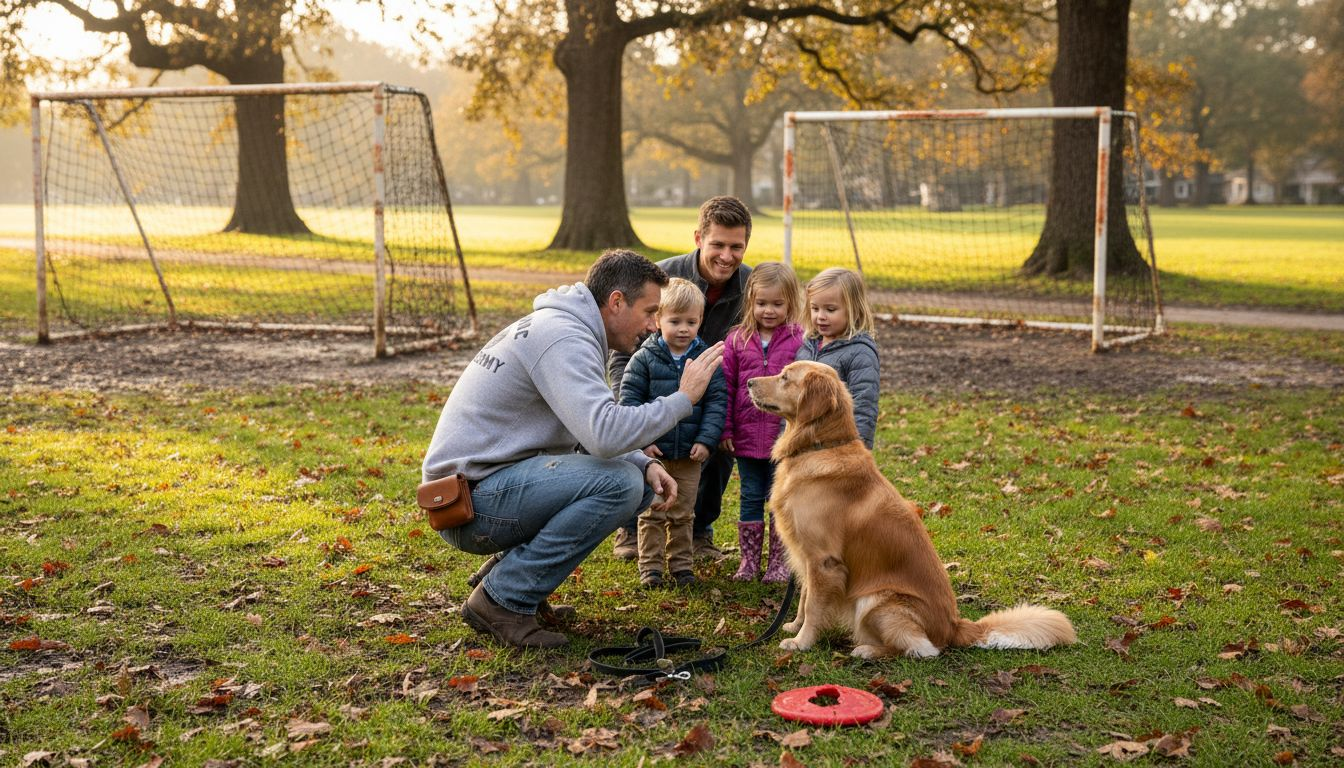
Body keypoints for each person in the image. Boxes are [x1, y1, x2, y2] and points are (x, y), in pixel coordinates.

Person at [422, 249, 724, 649]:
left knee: (633, 477)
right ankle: (502, 599)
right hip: (467, 504)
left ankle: (510, 579)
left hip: (478, 491)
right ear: (616, 301)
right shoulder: (563, 336)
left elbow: (581, 425)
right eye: (650, 311)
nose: (654, 326)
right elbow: (602, 435)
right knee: (619, 485)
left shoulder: (565, 327)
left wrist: (641, 461)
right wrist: (683, 398)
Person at [608, 196, 753, 561]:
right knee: (636, 448)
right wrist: (633, 414)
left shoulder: (750, 288)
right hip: (652, 391)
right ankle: (630, 531)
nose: (727, 255)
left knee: (719, 449)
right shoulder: (661, 280)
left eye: (737, 247)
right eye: (718, 244)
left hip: (710, 399)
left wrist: (726, 420)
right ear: (698, 239)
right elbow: (624, 351)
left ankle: (699, 532)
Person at [618, 279, 728, 588]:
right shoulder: (644, 359)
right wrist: (644, 441)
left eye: (691, 322)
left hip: (690, 456)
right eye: (675, 321)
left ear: (700, 321)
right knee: (652, 511)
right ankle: (651, 567)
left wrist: (707, 440)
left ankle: (681, 566)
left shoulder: (706, 360)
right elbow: (629, 401)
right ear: (657, 320)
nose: (683, 329)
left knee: (683, 513)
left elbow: (717, 401)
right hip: (657, 455)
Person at [719, 263, 806, 583]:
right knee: (751, 496)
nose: (769, 311)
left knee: (780, 498)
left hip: (781, 439)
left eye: (777, 304)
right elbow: (727, 388)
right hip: (745, 437)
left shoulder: (799, 340)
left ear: (790, 304)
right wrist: (726, 429)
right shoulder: (737, 340)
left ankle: (780, 562)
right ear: (751, 302)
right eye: (762, 303)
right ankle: (749, 561)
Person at [795, 267, 881, 450]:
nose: (820, 316)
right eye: (815, 308)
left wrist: (857, 451)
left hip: (835, 449)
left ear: (853, 310)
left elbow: (863, 407)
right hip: (803, 447)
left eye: (830, 309)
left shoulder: (860, 353)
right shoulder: (806, 347)